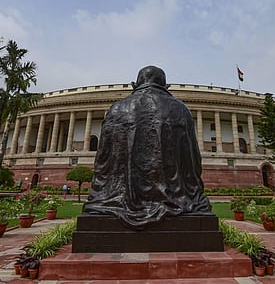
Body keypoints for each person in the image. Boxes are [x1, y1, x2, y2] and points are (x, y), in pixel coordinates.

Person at [83, 66, 212, 229]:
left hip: (118, 198)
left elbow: (102, 159)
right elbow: (193, 159)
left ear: (134, 85)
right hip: (176, 198)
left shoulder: (116, 108)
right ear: (166, 86)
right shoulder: (181, 109)